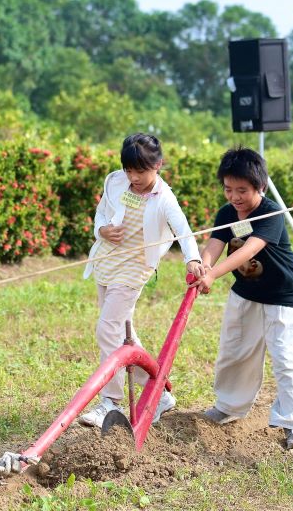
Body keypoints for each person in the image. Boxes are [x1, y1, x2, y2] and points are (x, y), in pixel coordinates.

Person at [191, 146, 293, 450]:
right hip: (246, 292)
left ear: (259, 186)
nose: (234, 197)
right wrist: (204, 264)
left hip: (281, 295)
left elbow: (249, 249)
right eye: (228, 189)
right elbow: (215, 243)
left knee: (288, 358)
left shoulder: (270, 213)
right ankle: (229, 407)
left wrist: (213, 275)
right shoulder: (227, 214)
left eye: (242, 190)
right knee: (235, 350)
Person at [78, 133, 204, 427]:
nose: (133, 176)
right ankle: (157, 391)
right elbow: (101, 214)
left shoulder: (164, 199)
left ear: (158, 165)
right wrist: (102, 231)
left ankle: (110, 403)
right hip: (107, 262)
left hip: (134, 268)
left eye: (140, 170)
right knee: (122, 332)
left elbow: (183, 231)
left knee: (107, 329)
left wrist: (193, 259)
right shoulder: (115, 181)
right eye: (129, 169)